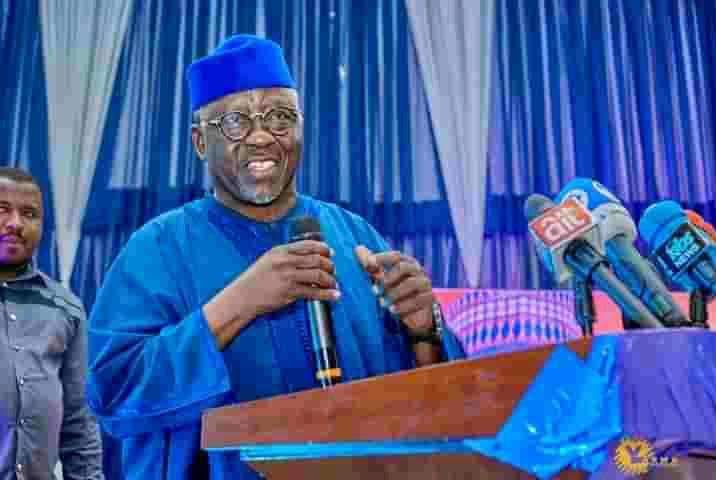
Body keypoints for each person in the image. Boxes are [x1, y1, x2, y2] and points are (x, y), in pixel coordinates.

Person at [86, 34, 465, 479]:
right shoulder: (157, 250)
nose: (262, 136)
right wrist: (239, 302)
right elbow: (114, 391)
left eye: (280, 117)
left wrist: (424, 332)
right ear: (200, 142)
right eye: (235, 121)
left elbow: (431, 403)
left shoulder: (354, 235)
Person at [0, 167, 103, 480]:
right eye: (3, 209)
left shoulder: (65, 308)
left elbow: (78, 421)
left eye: (29, 214)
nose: (16, 223)